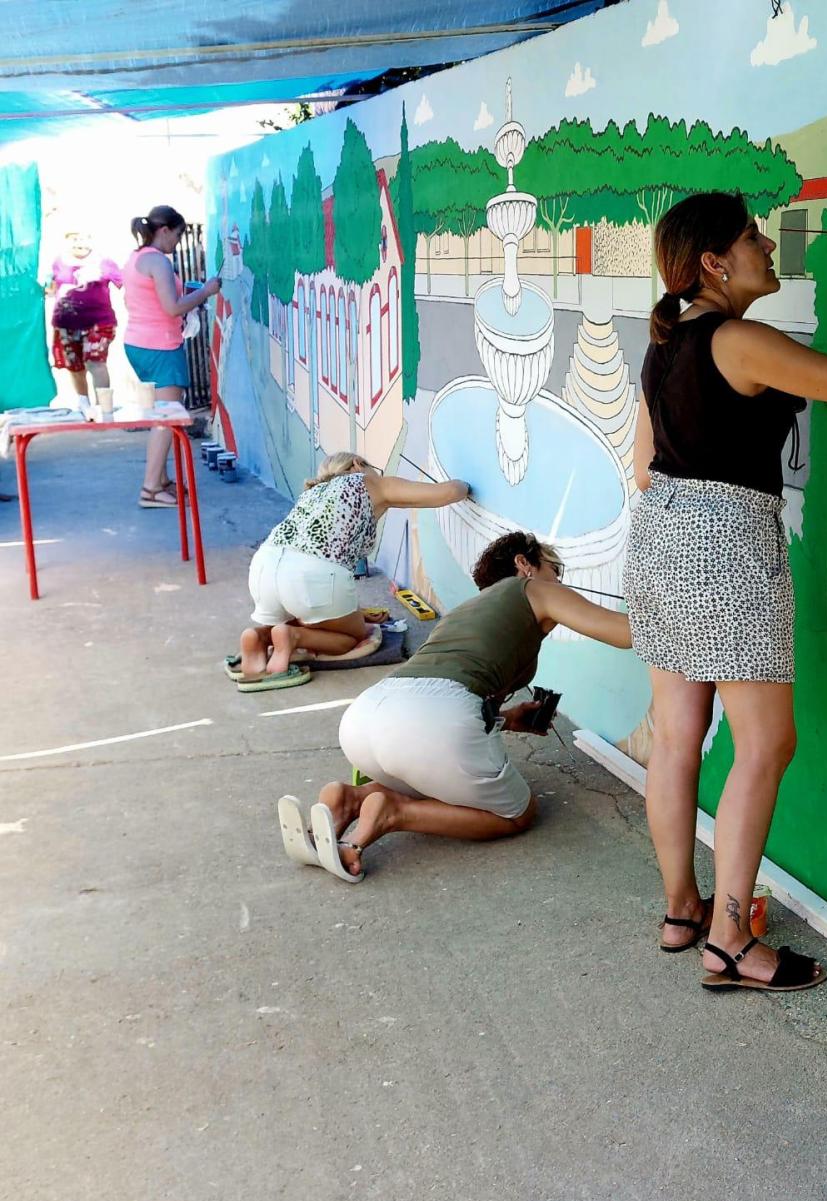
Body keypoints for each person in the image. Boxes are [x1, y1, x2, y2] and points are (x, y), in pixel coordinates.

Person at [627, 191, 827, 992]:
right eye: (751, 238)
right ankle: (731, 941)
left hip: (662, 533)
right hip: (725, 544)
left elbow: (644, 461)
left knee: (679, 737)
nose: (767, 247)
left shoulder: (666, 341)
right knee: (766, 744)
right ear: (714, 263)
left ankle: (683, 911)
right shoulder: (739, 339)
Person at [282, 531, 634, 882]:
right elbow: (625, 633)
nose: (558, 581)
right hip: (428, 723)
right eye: (553, 570)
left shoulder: (468, 611)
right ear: (524, 564)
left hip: (367, 717)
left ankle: (349, 800)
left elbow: (453, 697)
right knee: (517, 813)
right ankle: (391, 813)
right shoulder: (536, 589)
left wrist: (508, 719)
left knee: (433, 778)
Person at [235, 453, 471, 691]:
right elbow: (449, 493)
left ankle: (260, 637)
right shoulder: (369, 482)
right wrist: (464, 485)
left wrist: (354, 613)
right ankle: (292, 638)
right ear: (358, 465)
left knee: (306, 614)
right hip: (312, 575)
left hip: (264, 566)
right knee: (353, 638)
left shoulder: (314, 492)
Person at [121, 205, 221, 508]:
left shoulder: (137, 258)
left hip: (141, 342)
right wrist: (205, 292)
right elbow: (173, 308)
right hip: (161, 346)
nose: (176, 244)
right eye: (177, 237)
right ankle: (151, 489)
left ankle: (160, 480)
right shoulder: (158, 262)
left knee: (161, 415)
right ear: (164, 231)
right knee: (167, 418)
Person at [44, 230, 123, 404]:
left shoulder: (105, 262)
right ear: (66, 241)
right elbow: (49, 289)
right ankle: (84, 405)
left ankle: (103, 407)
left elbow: (124, 282)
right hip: (66, 322)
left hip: (99, 322)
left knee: (96, 362)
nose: (80, 242)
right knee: (75, 366)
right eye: (74, 238)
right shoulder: (58, 262)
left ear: (92, 240)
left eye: (84, 237)